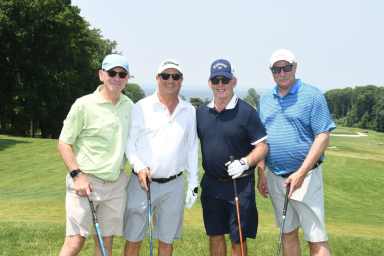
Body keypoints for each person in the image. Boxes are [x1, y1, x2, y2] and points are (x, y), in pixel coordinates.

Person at [258, 49, 336, 256]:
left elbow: (323, 136)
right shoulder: (265, 98)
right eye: (277, 69)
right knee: (288, 233)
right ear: (271, 71)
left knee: (316, 237)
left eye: (286, 68)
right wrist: (262, 173)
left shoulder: (312, 95)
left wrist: (301, 173)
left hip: (306, 178)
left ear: (295, 68)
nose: (282, 73)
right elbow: (262, 140)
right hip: (276, 177)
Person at [58, 54, 134, 256]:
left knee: (105, 243)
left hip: (115, 184)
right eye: (112, 73)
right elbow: (64, 143)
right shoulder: (83, 104)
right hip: (85, 182)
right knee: (75, 241)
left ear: (127, 78)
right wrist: (77, 175)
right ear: (102, 75)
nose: (117, 78)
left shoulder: (130, 107)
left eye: (122, 74)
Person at [123, 59, 199, 256]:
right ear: (157, 79)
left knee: (166, 241)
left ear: (181, 80)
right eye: (165, 76)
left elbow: (191, 147)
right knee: (134, 238)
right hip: (142, 182)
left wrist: (193, 182)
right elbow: (130, 144)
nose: (170, 80)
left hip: (173, 185)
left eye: (176, 76)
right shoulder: (141, 107)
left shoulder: (189, 110)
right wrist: (139, 166)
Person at [197, 59, 268, 256]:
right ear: (210, 82)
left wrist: (245, 163)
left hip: (239, 185)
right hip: (211, 185)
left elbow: (262, 147)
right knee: (215, 235)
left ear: (233, 82)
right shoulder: (202, 112)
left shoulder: (247, 112)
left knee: (238, 238)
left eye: (225, 80)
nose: (220, 85)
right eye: (216, 80)